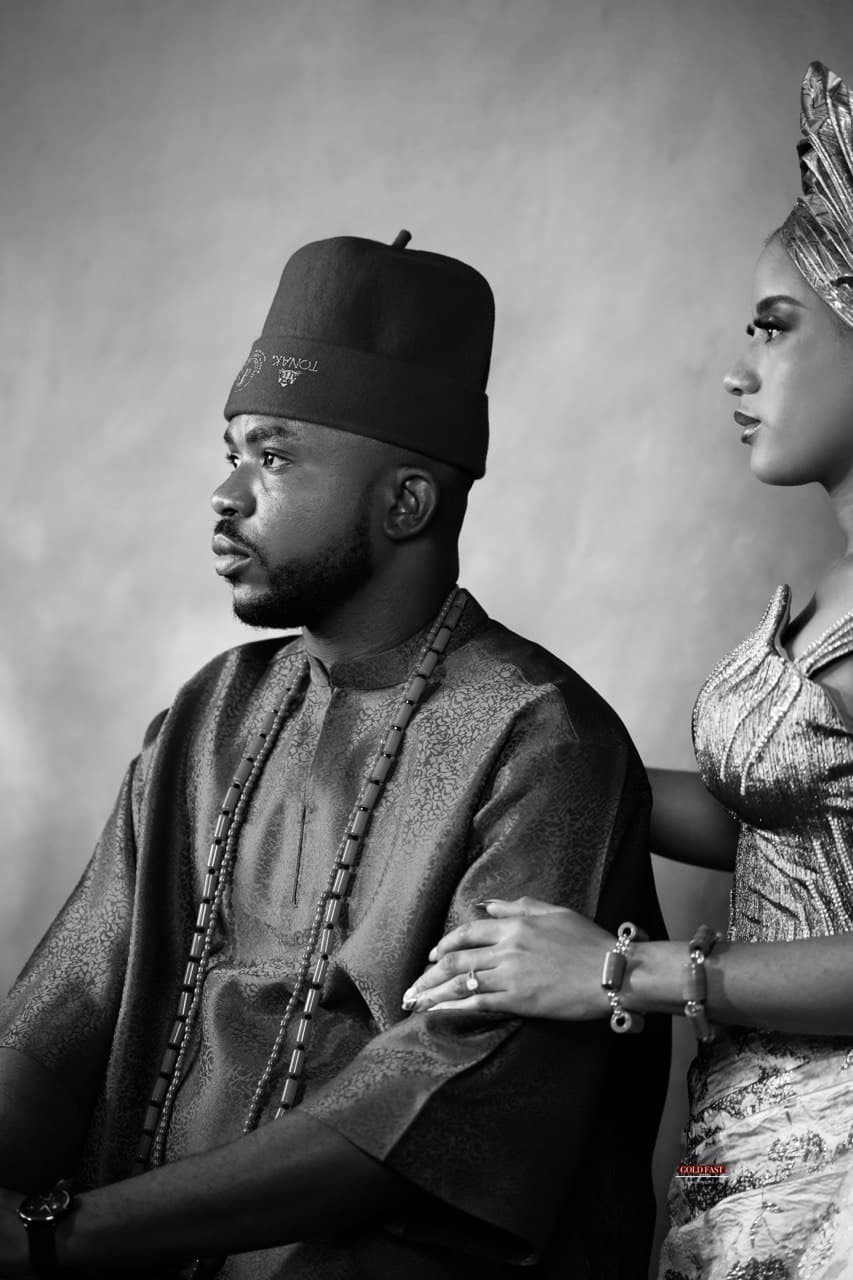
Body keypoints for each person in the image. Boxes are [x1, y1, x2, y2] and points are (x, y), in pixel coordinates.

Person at [0, 231, 669, 1279]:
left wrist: (60, 1235)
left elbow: (435, 1100)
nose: (226, 495)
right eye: (231, 453)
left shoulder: (540, 734)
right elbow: (61, 1013)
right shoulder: (213, 709)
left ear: (405, 502)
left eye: (273, 458)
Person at [405, 61, 853, 1279]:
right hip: (743, 1126)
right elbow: (787, 827)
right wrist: (525, 735)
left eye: (774, 325)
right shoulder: (829, 581)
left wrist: (619, 968)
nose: (737, 369)